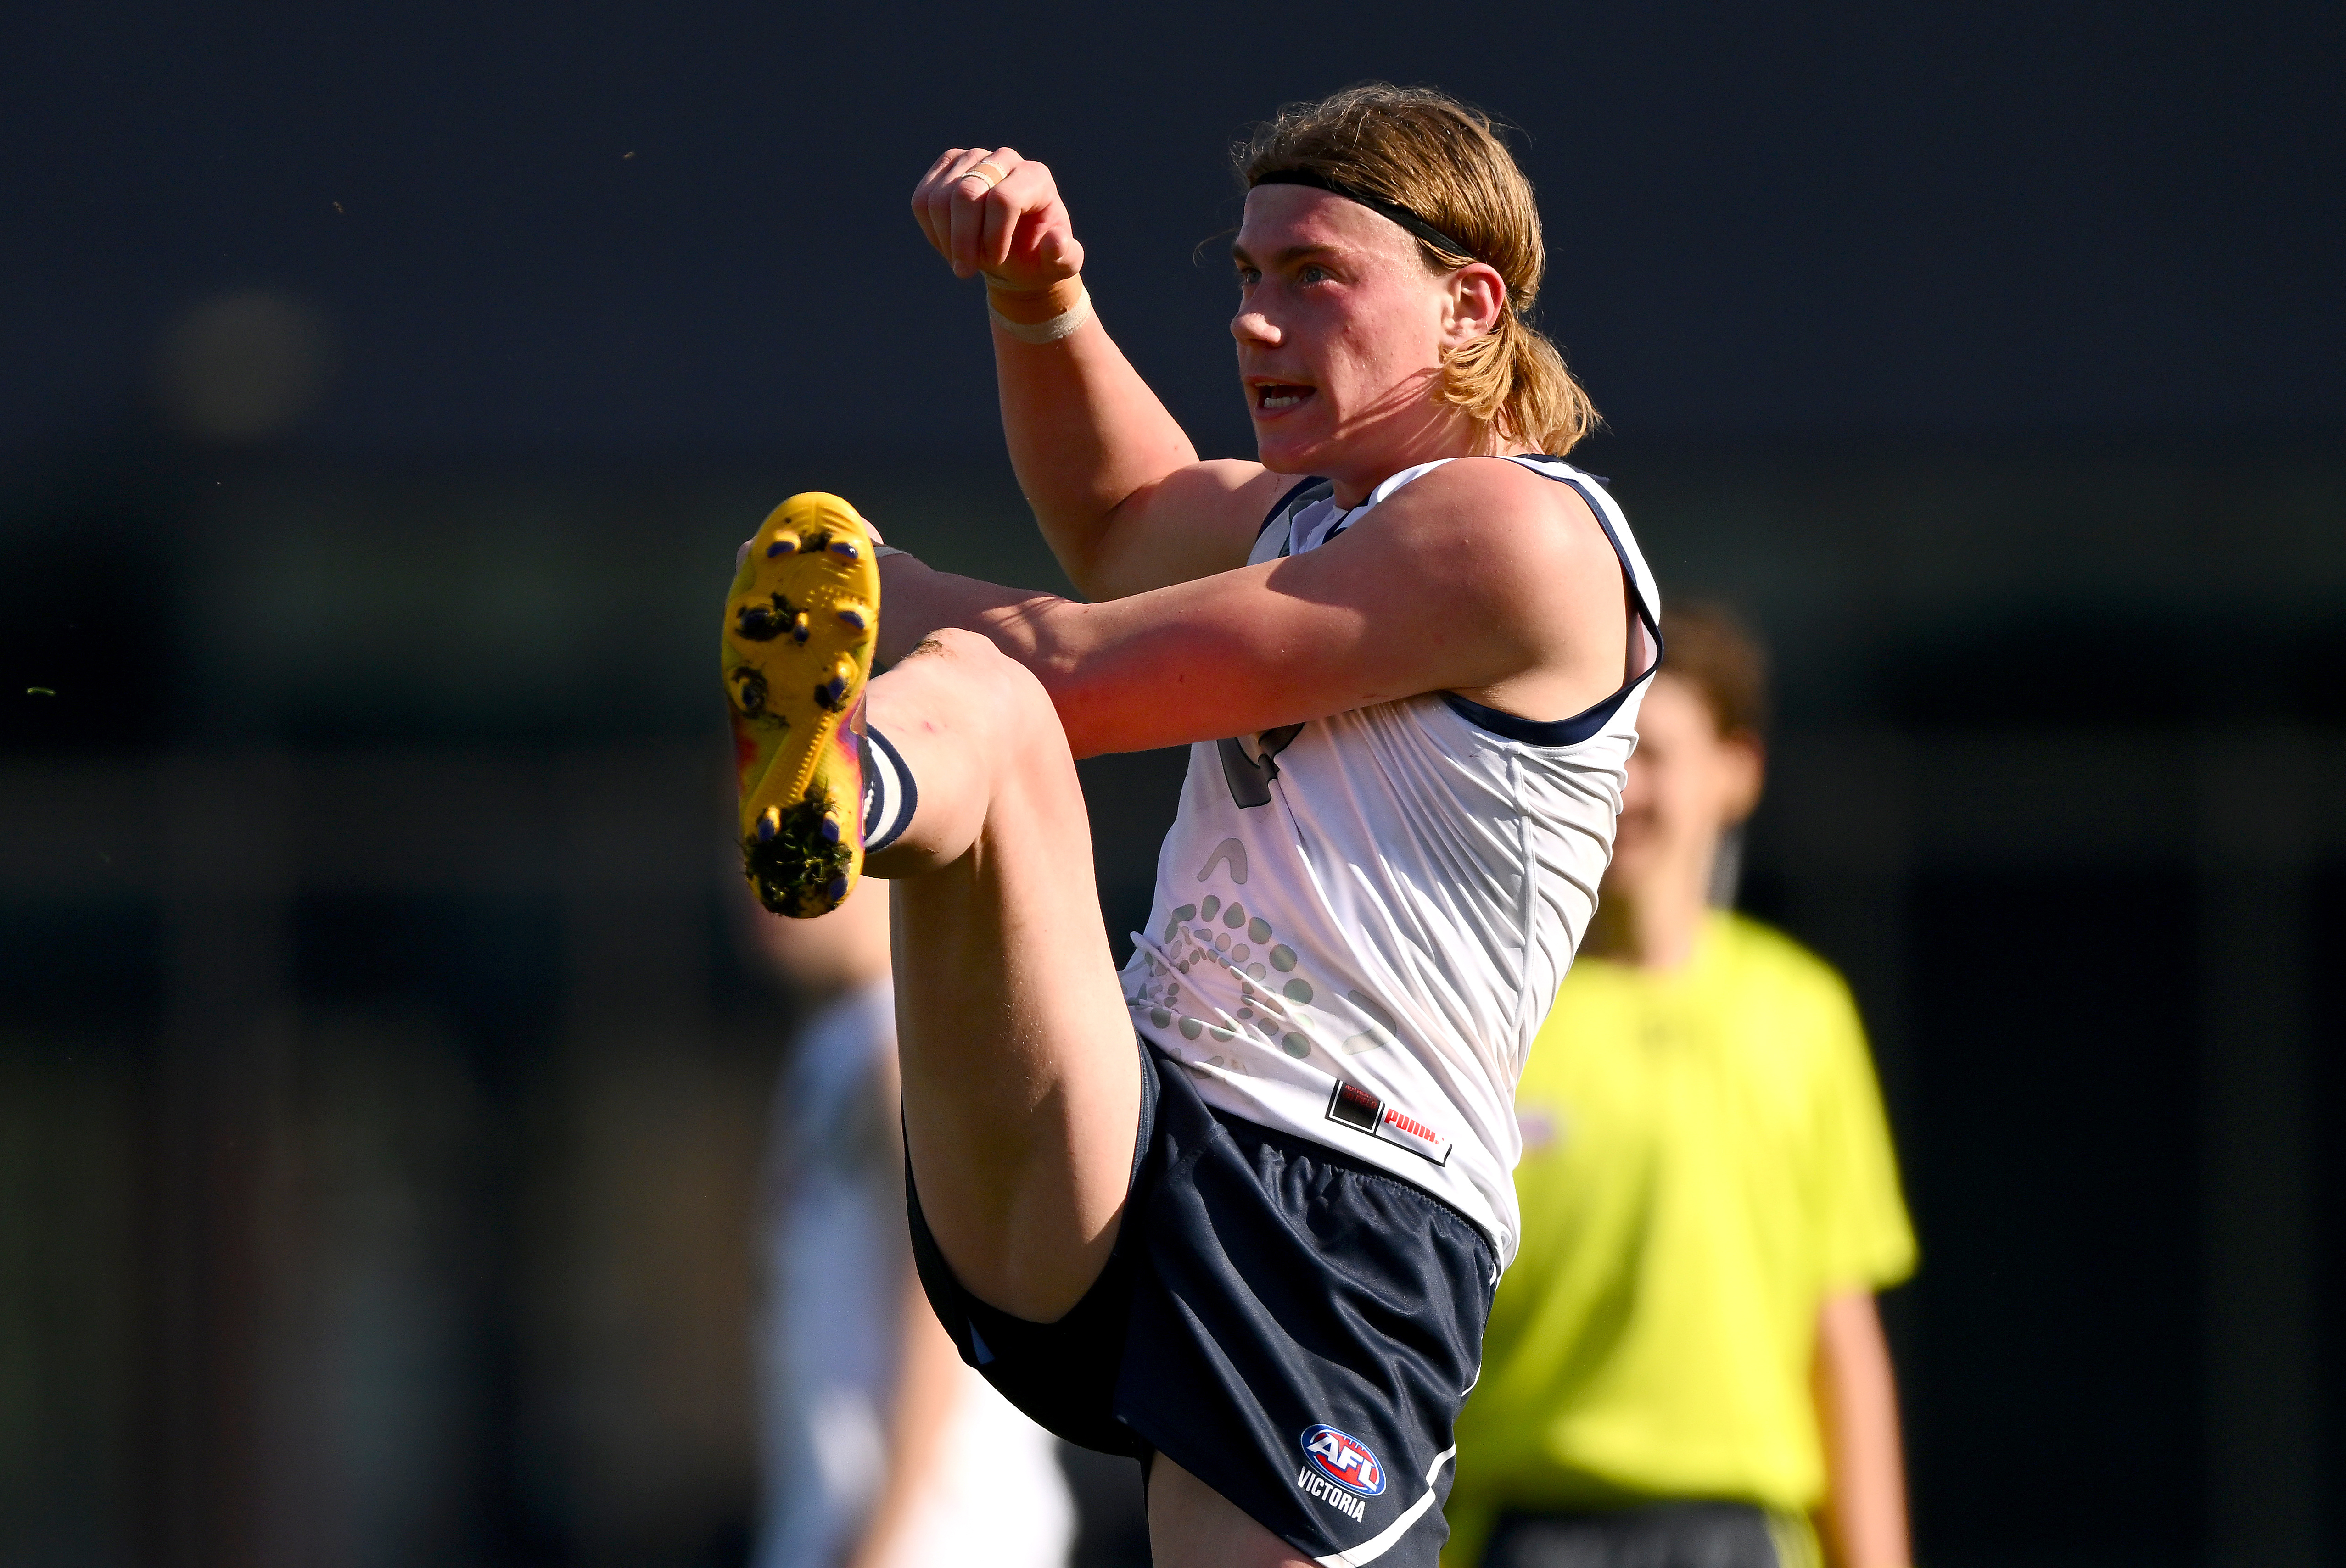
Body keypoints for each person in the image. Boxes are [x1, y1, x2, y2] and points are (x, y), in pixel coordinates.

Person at [720, 84, 1659, 1567]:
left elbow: (1096, 666)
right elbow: (1125, 518)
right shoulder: (1304, 519)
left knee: (996, 688)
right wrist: (1040, 300)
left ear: (1469, 305)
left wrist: (876, 598)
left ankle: (858, 765)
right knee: (975, 690)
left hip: (1341, 1212)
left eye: (1312, 276)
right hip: (1132, 1135)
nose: (1253, 321)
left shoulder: (1521, 536)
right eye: (1243, 275)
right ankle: (846, 789)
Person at [1441, 608, 1918, 1568]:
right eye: (1606, 750)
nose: (1625, 785)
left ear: (1736, 771)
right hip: (1520, 1528)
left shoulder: (1802, 1014)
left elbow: (1840, 1334)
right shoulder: (1485, 1012)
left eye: (1652, 752)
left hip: (1739, 1533)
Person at [745, 877, 1075, 1568]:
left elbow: (939, 1310)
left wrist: (880, 1542)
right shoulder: (838, 1047)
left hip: (937, 1535)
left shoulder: (904, 1045)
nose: (759, 868)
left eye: (803, 821)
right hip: (845, 1524)